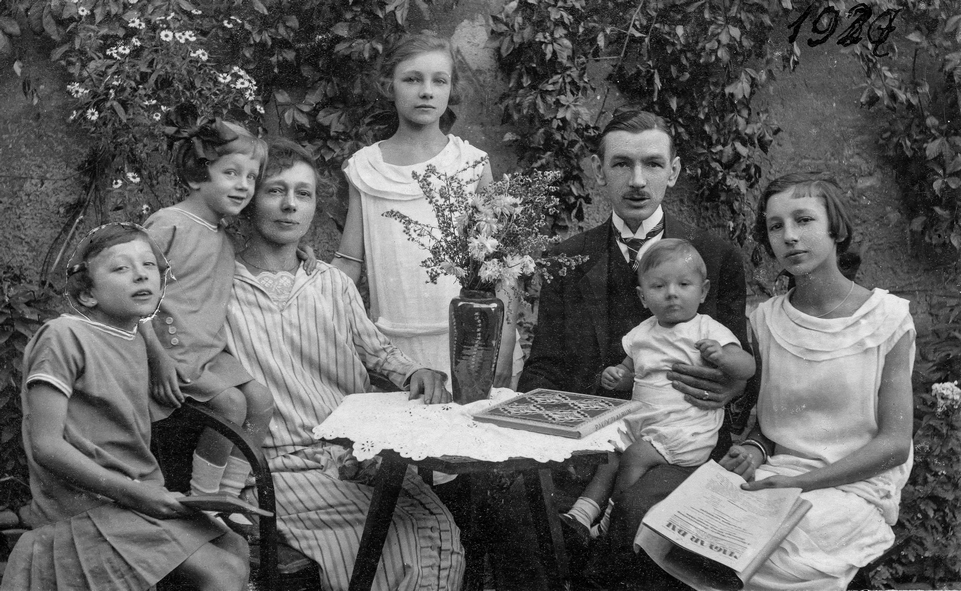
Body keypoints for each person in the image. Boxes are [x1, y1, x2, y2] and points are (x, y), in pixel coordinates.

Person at [516, 108, 752, 587]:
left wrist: (732, 390)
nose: (638, 180)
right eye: (622, 164)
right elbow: (543, 368)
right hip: (587, 446)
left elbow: (744, 367)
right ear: (599, 170)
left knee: (639, 510)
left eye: (653, 164)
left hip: (681, 445)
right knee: (518, 510)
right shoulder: (568, 259)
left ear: (674, 170)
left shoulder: (716, 256)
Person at [224, 138, 464, 591]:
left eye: (303, 193)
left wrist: (415, 372)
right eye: (275, 191)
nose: (290, 205)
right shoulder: (222, 287)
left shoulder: (332, 283)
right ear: (249, 200)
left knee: (438, 532)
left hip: (357, 457)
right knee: (401, 544)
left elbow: (379, 353)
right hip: (280, 468)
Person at [1, 224, 248, 591]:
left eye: (149, 265)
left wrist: (159, 355)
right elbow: (46, 446)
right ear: (87, 294)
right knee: (222, 574)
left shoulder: (134, 341)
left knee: (235, 546)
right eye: (121, 268)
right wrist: (136, 493)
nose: (141, 274)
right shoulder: (64, 336)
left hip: (135, 497)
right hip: (89, 508)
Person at [715, 172, 914, 590]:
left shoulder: (888, 319)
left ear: (835, 228)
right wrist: (754, 448)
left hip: (854, 485)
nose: (789, 236)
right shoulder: (765, 321)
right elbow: (774, 424)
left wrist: (797, 484)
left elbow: (895, 445)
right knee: (708, 533)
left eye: (803, 220)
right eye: (776, 226)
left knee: (775, 551)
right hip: (778, 476)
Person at [334, 33, 520, 387]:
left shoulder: (472, 163)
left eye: (439, 81)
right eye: (412, 79)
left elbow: (503, 265)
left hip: (473, 343)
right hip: (397, 351)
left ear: (451, 89)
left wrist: (505, 343)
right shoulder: (366, 168)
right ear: (388, 85)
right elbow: (348, 262)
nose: (426, 91)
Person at [561, 239, 755, 541]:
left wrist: (723, 356)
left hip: (684, 431)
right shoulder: (642, 333)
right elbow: (632, 374)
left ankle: (612, 519)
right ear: (642, 296)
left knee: (634, 456)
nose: (672, 293)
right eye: (659, 286)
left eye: (684, 284)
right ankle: (583, 511)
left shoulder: (707, 329)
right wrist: (617, 376)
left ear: (703, 291)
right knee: (609, 452)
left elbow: (747, 367)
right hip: (643, 424)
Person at [140, 108, 275, 520]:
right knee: (231, 404)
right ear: (198, 174)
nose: (244, 185)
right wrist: (157, 358)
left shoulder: (223, 236)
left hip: (209, 352)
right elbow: (135, 297)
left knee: (261, 400)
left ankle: (231, 497)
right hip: (170, 351)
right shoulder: (169, 225)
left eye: (251, 177)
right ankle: (205, 502)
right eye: (231, 173)